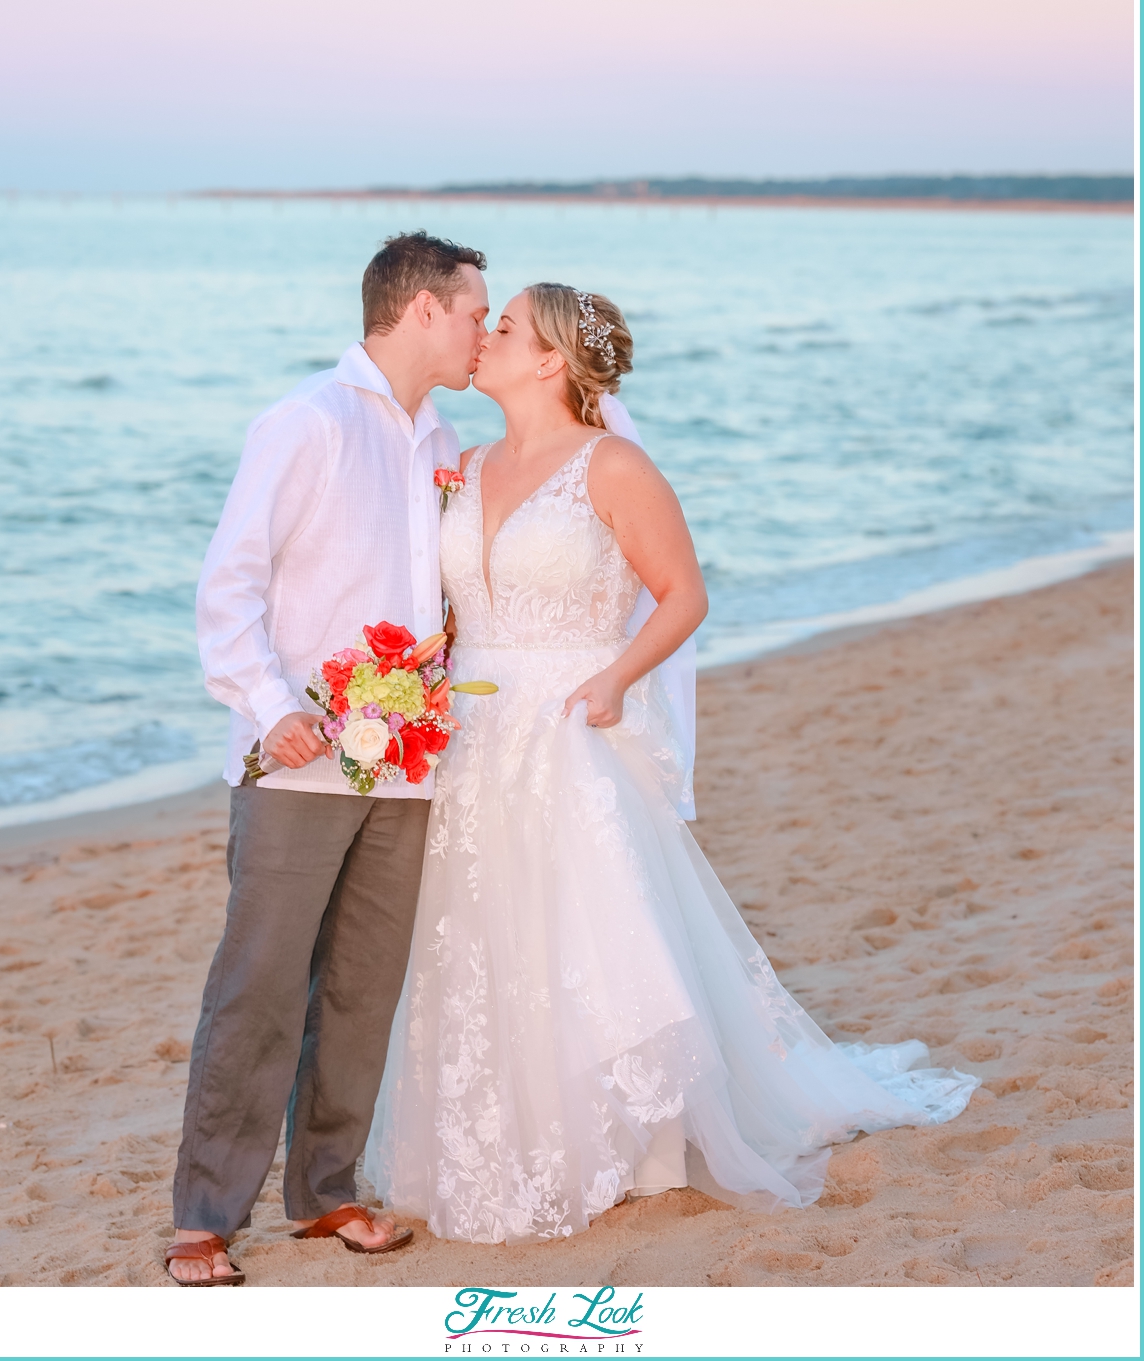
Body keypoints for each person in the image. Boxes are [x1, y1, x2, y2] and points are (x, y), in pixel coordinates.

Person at [365, 282, 978, 1244]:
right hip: (474, 734)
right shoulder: (467, 463)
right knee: (483, 929)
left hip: (573, 720)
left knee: (593, 931)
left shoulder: (611, 466)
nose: (484, 336)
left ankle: (637, 1144)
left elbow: (682, 595)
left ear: (550, 361)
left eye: (507, 325)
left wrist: (615, 679)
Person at [165, 231, 489, 1284]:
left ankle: (327, 1188)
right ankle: (205, 1214)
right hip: (298, 759)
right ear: (423, 309)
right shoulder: (306, 422)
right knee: (257, 986)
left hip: (406, 763)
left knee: (363, 985)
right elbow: (230, 588)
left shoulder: (443, 438)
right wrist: (271, 708)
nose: (483, 327)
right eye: (474, 308)